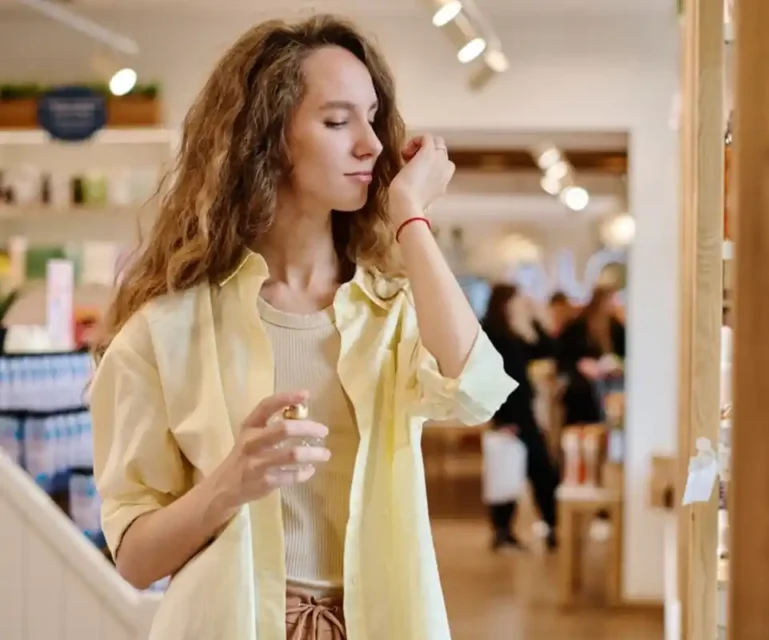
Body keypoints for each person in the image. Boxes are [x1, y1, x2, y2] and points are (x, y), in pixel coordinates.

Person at [89, 16, 516, 640]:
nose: (371, 143)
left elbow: (476, 391)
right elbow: (134, 558)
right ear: (267, 139)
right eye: (339, 121)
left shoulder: (391, 310)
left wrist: (411, 217)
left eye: (373, 118)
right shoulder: (165, 330)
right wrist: (228, 485)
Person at [480, 284, 560, 551]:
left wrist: (535, 319)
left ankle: (545, 525)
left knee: (532, 469)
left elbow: (547, 349)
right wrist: (502, 419)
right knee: (518, 469)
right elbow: (488, 377)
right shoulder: (491, 332)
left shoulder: (514, 332)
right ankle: (508, 529)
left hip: (523, 411)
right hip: (510, 414)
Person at [556, 286, 627, 426]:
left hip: (610, 383)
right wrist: (581, 365)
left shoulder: (616, 326)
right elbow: (564, 358)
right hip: (582, 386)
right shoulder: (576, 327)